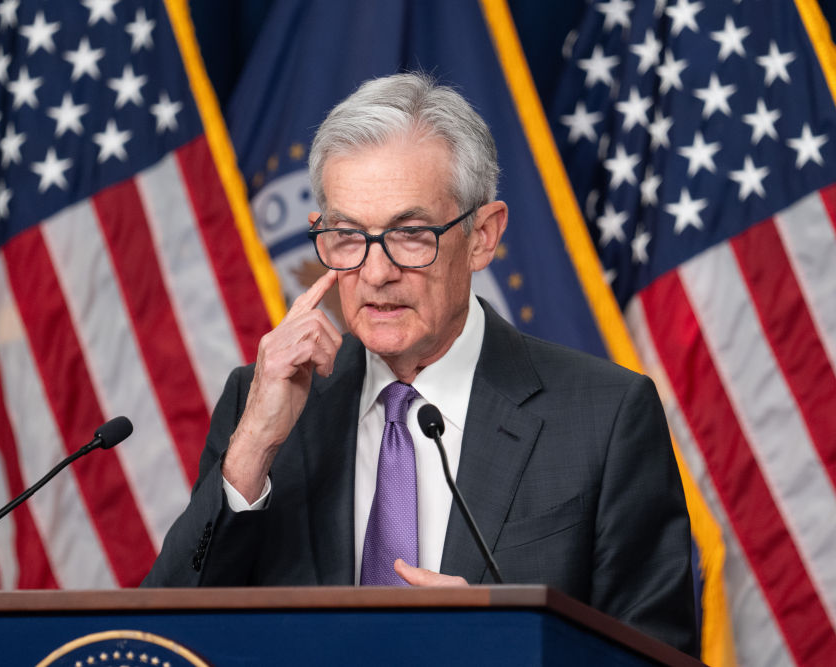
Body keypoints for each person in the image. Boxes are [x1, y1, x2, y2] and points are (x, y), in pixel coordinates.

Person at [142, 72, 697, 655]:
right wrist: (252, 449)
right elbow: (159, 642)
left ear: (483, 236)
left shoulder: (605, 418)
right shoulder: (261, 404)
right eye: (347, 235)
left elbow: (660, 652)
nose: (376, 272)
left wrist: (505, 648)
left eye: (409, 233)